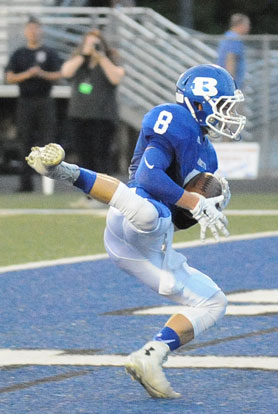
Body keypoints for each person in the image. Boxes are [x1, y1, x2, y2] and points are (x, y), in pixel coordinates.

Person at [25, 64, 246, 399]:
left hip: (152, 247)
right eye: (224, 104)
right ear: (200, 102)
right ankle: (63, 171)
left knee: (213, 301)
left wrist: (205, 204)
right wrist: (191, 199)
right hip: (131, 219)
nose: (229, 113)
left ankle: (151, 356)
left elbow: (180, 218)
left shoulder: (208, 153)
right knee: (148, 211)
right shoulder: (174, 120)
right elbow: (147, 178)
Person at [5, 16, 62, 192]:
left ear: (41, 31)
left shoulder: (49, 52)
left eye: (36, 29)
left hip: (45, 101)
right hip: (25, 102)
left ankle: (49, 186)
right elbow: (9, 77)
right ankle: (25, 184)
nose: (33, 32)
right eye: (30, 29)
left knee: (48, 142)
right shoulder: (19, 53)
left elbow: (59, 75)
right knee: (25, 142)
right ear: (25, 31)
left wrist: (41, 73)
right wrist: (28, 74)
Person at [61, 29, 125, 175]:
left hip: (103, 117)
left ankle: (105, 194)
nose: (92, 47)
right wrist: (83, 55)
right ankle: (89, 195)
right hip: (79, 116)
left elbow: (116, 77)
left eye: (95, 44)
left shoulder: (109, 60)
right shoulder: (79, 62)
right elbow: (66, 72)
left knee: (102, 155)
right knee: (84, 157)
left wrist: (101, 57)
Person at [217, 13, 250, 90]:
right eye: (247, 24)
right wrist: (231, 84)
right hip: (232, 86)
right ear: (240, 25)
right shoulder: (234, 39)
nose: (248, 27)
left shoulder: (228, 36)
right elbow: (230, 60)